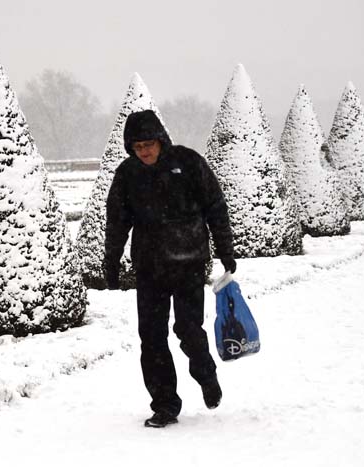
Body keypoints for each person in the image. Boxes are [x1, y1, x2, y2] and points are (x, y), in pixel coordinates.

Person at [105, 109, 236, 428]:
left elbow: (215, 207)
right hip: (149, 267)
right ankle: (165, 404)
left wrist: (225, 250)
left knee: (188, 329)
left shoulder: (189, 163)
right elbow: (117, 222)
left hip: (189, 262)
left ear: (160, 140)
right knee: (151, 337)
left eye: (149, 144)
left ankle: (206, 375)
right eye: (137, 147)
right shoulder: (127, 175)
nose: (144, 151)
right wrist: (111, 261)